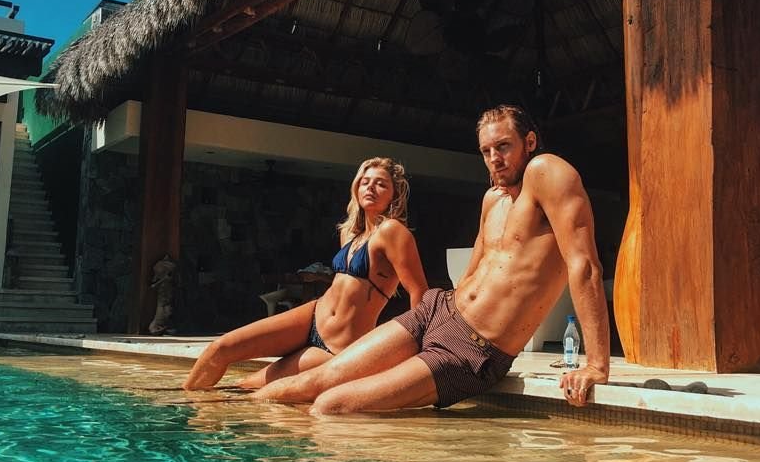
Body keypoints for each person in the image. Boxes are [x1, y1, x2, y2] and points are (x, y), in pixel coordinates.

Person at [252, 104, 610, 412]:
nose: (494, 159)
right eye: (486, 150)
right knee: (315, 381)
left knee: (330, 405)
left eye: (503, 146)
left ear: (529, 142)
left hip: (473, 350)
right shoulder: (493, 199)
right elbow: (473, 271)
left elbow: (585, 266)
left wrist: (596, 364)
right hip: (438, 311)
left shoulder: (546, 171)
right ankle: (233, 426)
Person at [182, 157, 428, 390]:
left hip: (339, 346)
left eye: (381, 184)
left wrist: (416, 349)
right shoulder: (349, 233)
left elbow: (418, 291)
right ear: (356, 188)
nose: (370, 187)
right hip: (312, 316)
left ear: (394, 195)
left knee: (248, 387)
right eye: (365, 182)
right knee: (219, 349)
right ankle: (183, 411)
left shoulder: (393, 231)